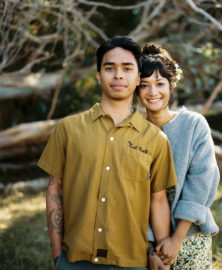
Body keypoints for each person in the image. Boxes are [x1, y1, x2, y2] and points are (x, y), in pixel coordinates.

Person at [37, 36, 178, 270]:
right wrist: (57, 255)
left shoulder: (156, 140)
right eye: (110, 68)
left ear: (137, 78)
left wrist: (160, 256)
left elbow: (158, 200)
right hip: (75, 261)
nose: (118, 75)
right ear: (98, 76)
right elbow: (54, 188)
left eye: (127, 68)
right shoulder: (69, 129)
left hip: (133, 263)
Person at [137, 43, 220, 270]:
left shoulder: (194, 124)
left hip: (190, 236)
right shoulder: (133, 132)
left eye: (160, 84)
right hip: (145, 243)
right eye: (145, 85)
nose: (153, 92)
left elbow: (202, 181)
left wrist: (177, 239)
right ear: (136, 89)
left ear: (172, 85)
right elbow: (131, 196)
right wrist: (149, 248)